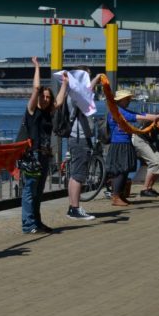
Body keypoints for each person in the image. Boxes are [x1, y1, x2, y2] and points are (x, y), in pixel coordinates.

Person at [19, 57, 67, 234]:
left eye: (48, 97)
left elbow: (60, 101)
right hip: (32, 155)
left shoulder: (48, 113)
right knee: (29, 190)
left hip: (45, 155)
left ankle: (37, 222)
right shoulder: (32, 110)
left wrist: (65, 83)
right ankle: (28, 224)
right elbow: (37, 87)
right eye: (43, 96)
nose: (46, 99)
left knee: (39, 192)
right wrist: (37, 67)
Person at [105, 89, 159, 206]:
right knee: (121, 170)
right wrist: (154, 118)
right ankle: (116, 196)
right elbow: (134, 117)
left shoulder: (121, 109)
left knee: (125, 170)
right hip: (119, 143)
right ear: (120, 100)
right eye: (127, 99)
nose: (129, 101)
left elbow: (139, 115)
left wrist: (154, 117)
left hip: (124, 142)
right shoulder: (118, 111)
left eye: (129, 98)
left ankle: (120, 195)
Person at [63, 69, 102, 221]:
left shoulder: (73, 93)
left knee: (75, 174)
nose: (89, 80)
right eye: (86, 76)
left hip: (78, 137)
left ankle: (73, 207)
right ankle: (75, 208)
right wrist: (96, 79)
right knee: (79, 175)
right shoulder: (75, 94)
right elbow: (85, 93)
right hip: (79, 138)